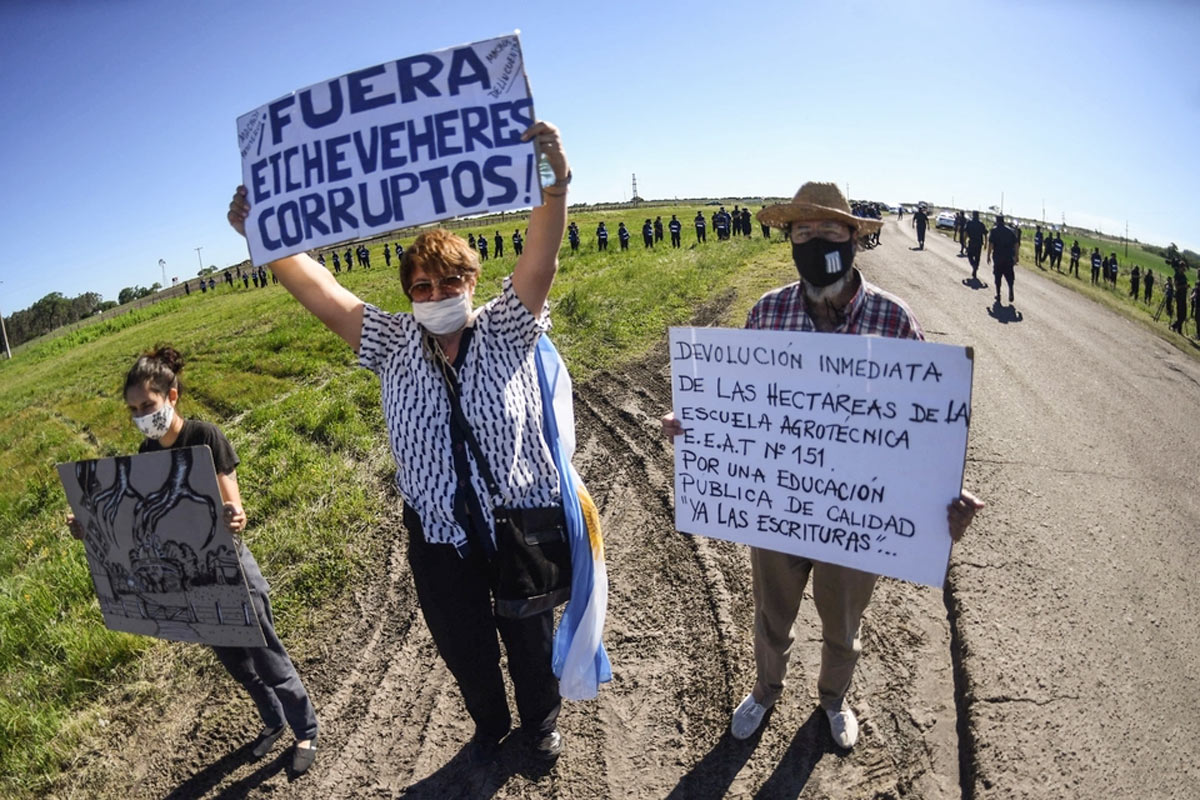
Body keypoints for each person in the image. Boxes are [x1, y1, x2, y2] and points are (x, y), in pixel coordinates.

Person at [227, 121, 574, 764]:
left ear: (473, 283)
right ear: (408, 295)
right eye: (422, 286)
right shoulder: (389, 343)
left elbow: (541, 258)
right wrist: (265, 238)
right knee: (464, 642)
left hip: (514, 525)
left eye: (450, 283)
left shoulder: (505, 328)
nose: (436, 295)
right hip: (438, 534)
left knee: (528, 635)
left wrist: (552, 184)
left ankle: (540, 722)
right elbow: (321, 291)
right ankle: (488, 723)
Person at [660, 182, 983, 750]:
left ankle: (833, 700)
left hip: (859, 518)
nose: (815, 242)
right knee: (771, 613)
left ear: (853, 237)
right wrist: (697, 427)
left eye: (828, 231)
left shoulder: (894, 319)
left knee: (843, 625)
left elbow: (925, 426)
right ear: (789, 240)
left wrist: (946, 494)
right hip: (780, 504)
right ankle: (765, 690)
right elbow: (742, 406)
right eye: (801, 232)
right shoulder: (768, 312)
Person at [67, 346, 320, 773]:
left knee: (267, 657)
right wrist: (88, 528)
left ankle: (306, 730)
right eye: (133, 409)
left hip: (231, 569)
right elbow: (137, 526)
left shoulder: (205, 437)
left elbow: (230, 501)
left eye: (147, 405)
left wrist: (234, 515)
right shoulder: (145, 459)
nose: (142, 416)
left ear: (172, 396)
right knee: (237, 665)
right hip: (191, 582)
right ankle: (274, 722)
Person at [987, 213, 1018, 304]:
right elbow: (1016, 244)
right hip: (1008, 257)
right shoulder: (1010, 231)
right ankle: (1011, 289)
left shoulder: (994, 231)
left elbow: (991, 244)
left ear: (997, 221)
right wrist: (1016, 256)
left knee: (998, 276)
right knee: (1009, 276)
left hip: (998, 257)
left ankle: (998, 294)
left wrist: (988, 255)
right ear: (1003, 221)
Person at [964, 211, 988, 279]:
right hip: (979, 243)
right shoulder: (981, 224)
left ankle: (973, 265)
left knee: (969, 255)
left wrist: (964, 241)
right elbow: (986, 234)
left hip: (972, 242)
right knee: (977, 257)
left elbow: (965, 233)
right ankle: (975, 268)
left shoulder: (969, 223)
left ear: (973, 215)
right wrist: (986, 243)